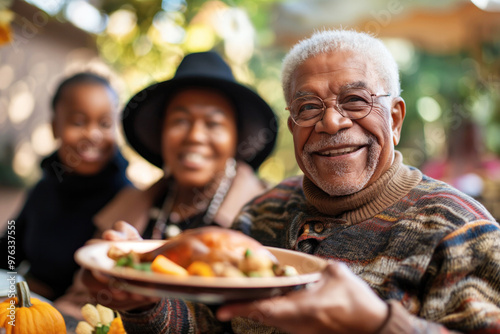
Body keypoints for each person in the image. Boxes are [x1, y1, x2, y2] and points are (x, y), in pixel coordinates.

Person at [82, 30, 500, 333]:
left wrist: (378, 324)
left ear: (394, 119)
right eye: (308, 106)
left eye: (355, 100)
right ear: (293, 124)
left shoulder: (459, 229)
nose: (332, 121)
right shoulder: (263, 213)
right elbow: (210, 323)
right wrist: (145, 302)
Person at [91, 51, 278, 240]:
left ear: (236, 139)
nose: (195, 136)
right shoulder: (127, 206)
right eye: (180, 121)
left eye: (213, 123)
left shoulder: (272, 215)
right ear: (161, 133)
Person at [0, 72, 132, 302]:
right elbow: (9, 250)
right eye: (78, 122)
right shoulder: (44, 188)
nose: (92, 134)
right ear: (54, 127)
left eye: (105, 123)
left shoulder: (129, 200)